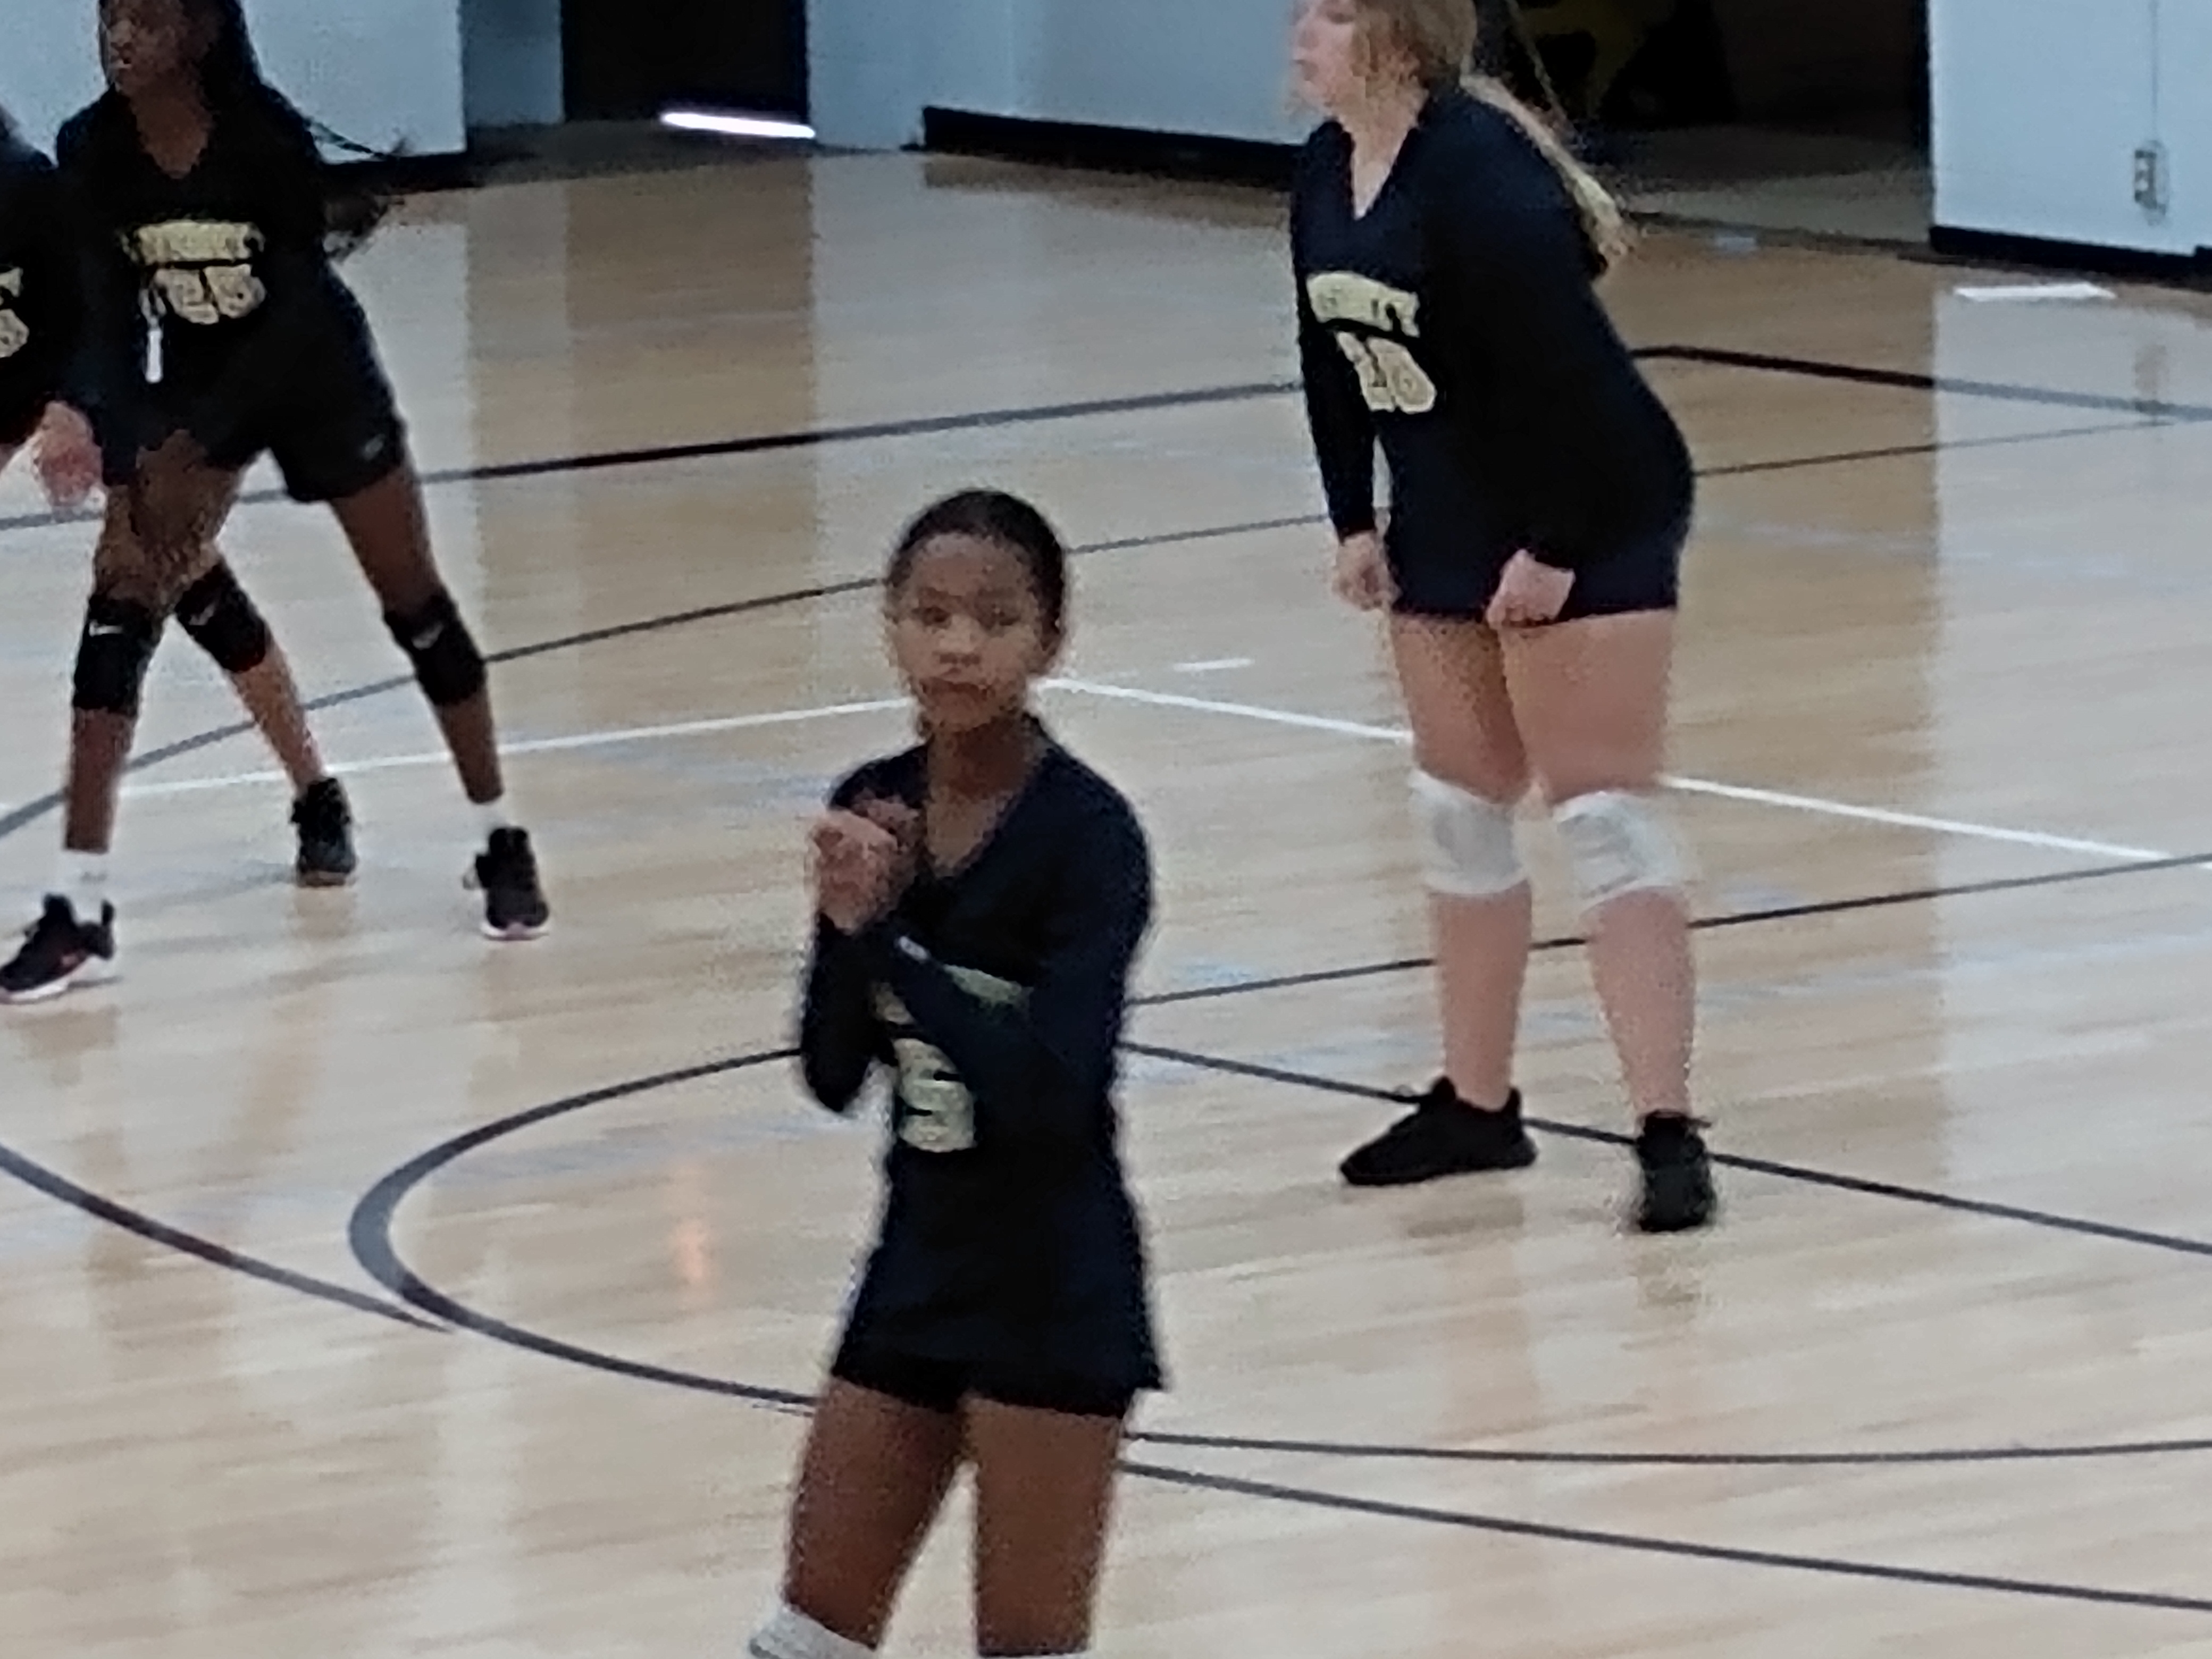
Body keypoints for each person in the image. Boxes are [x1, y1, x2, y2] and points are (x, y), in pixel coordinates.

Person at [5, 0, 551, 1003]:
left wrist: (197, 439)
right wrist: (117, 433)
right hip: (199, 386)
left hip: (317, 385)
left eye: (145, 21)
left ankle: (499, 839)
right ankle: (80, 907)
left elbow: (296, 317)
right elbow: (111, 318)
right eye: (110, 18)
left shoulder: (264, 140)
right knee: (121, 600)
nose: (120, 39)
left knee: (415, 608)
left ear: (198, 33)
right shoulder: (92, 148)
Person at [1288, 0, 1716, 1231]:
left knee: (1603, 819)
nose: (1303, 31)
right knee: (1458, 806)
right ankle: (1477, 1106)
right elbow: (1328, 352)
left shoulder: (1479, 175)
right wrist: (1353, 519)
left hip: (1590, 504)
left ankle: (1667, 1132)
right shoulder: (1325, 168)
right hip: (1448, 515)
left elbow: (1569, 380)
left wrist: (1557, 547)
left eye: (1334, 12)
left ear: (1403, 33)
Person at [754, 490, 1159, 1659]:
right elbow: (833, 1073)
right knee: (807, 1635)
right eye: (929, 616)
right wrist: (843, 930)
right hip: (917, 1265)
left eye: (994, 619)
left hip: (1053, 1286)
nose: (959, 646)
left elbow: (1048, 1097)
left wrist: (888, 941)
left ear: (1051, 641)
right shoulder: (872, 802)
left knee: (1025, 1646)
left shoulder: (1090, 838)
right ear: (890, 627)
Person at [1, 98, 354, 1004]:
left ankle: (84, 908)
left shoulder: (31, 188)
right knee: (193, 586)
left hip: (148, 383)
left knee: (130, 590)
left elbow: (98, 321)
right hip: (31, 375)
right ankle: (318, 792)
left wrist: (75, 413)